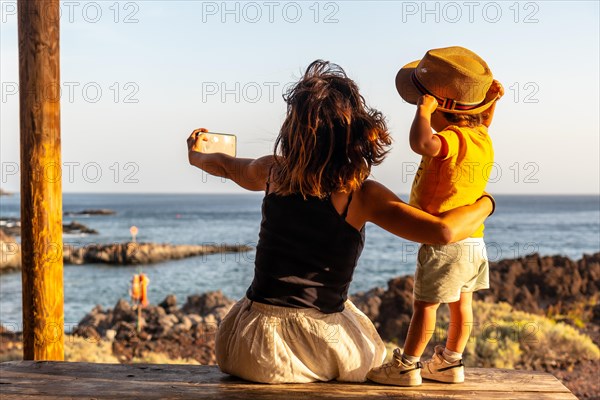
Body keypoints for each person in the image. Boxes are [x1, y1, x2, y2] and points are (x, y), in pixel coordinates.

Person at [187, 60, 495, 384]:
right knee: (373, 358)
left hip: (248, 346)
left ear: (293, 131)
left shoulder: (272, 171)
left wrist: (196, 155)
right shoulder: (361, 195)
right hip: (317, 345)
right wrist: (486, 203)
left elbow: (224, 165)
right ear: (355, 132)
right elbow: (442, 231)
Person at [367, 46, 503, 386]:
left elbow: (422, 144)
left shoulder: (453, 139)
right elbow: (483, 120)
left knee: (425, 306)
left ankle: (407, 365)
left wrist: (423, 113)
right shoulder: (481, 136)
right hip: (473, 238)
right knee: (462, 305)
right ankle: (449, 362)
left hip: (444, 242)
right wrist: (491, 104)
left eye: (426, 101)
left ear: (444, 110)